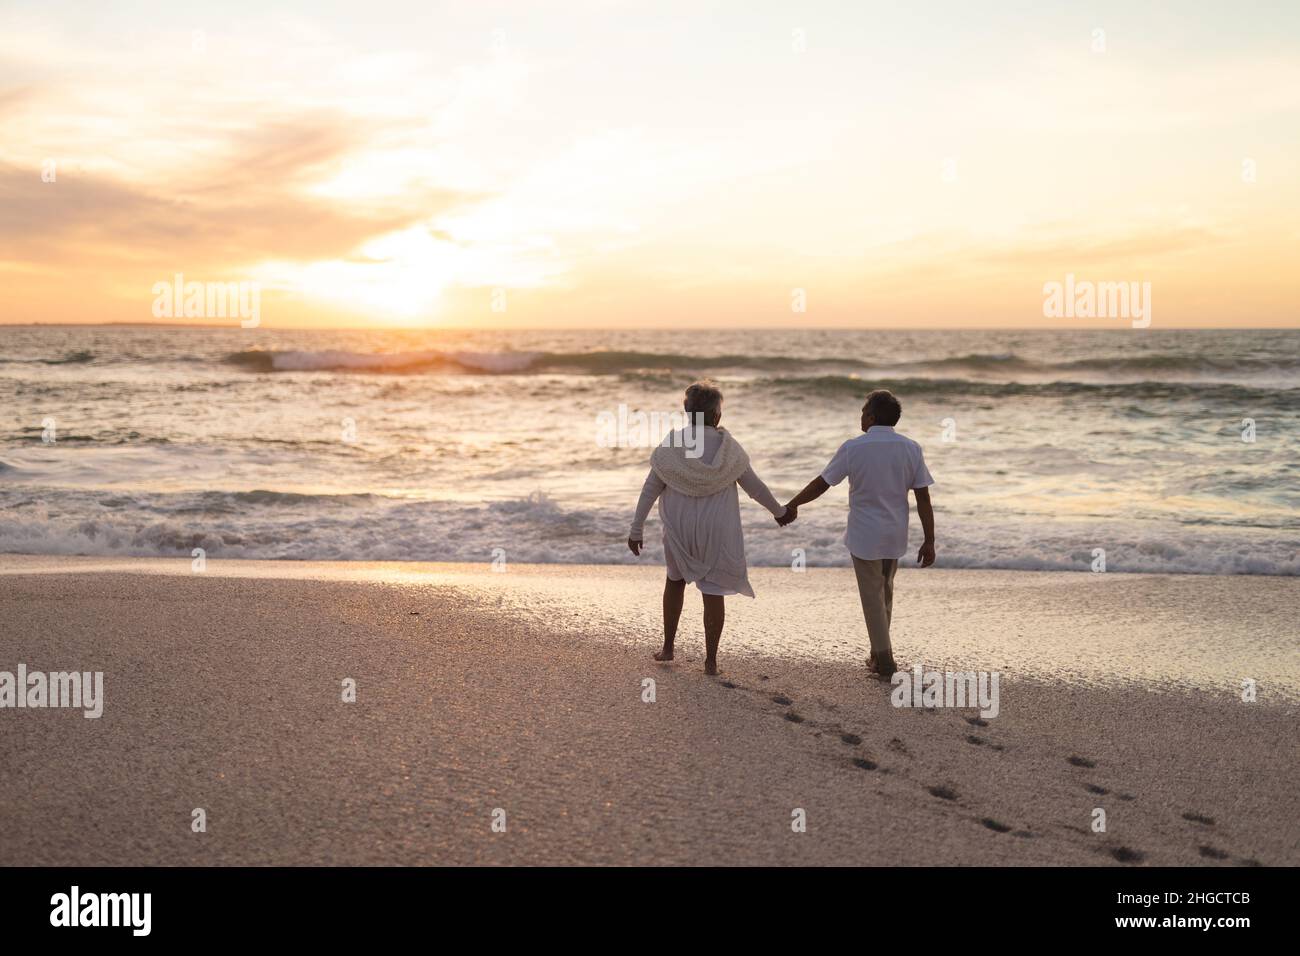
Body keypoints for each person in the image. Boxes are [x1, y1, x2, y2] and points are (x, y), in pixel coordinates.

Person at [627, 380, 792, 675]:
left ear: (687, 412)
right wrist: (778, 512)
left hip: (679, 529)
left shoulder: (672, 445)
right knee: (713, 591)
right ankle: (711, 661)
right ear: (717, 415)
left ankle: (668, 648)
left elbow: (649, 489)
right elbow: (754, 487)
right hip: (717, 529)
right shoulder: (729, 449)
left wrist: (636, 529)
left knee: (674, 582)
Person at [783, 389, 935, 679]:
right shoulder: (911, 448)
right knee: (885, 596)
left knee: (872, 598)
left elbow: (823, 483)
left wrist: (793, 503)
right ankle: (877, 656)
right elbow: (923, 498)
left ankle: (885, 660)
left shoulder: (854, 448)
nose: (860, 416)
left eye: (863, 411)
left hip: (865, 534)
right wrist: (929, 540)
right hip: (895, 533)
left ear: (872, 416)